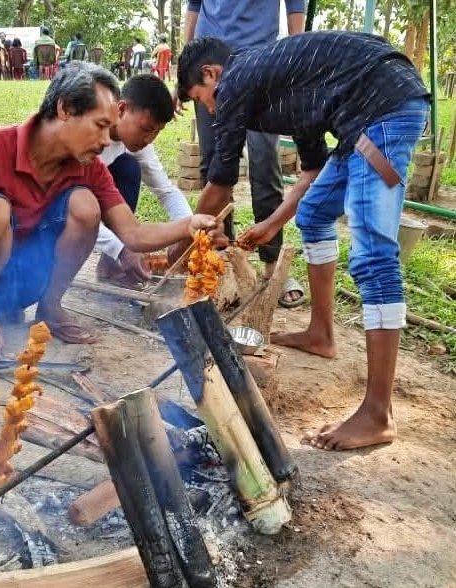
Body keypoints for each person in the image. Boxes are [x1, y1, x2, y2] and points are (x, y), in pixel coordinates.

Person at [176, 33, 430, 450]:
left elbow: (221, 179)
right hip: (360, 123)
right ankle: (321, 334)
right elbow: (311, 174)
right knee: (313, 215)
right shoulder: (286, 84)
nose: (209, 108)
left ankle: (378, 413)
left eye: (201, 98)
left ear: (211, 73)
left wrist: (181, 244)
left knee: (374, 256)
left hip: (383, 110)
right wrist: (274, 224)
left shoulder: (237, 77)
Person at [0, 63, 226, 353]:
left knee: (85, 205)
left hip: (22, 286)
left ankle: (49, 307)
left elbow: (133, 233)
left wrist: (190, 224)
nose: (107, 141)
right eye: (100, 126)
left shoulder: (89, 167)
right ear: (65, 109)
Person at [185, 0, 306, 306]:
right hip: (205, 67)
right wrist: (185, 72)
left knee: (265, 165)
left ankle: (271, 266)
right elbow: (194, 6)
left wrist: (292, 62)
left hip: (259, 62)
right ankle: (219, 259)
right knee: (213, 165)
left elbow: (295, 5)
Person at [96, 74, 192, 287]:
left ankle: (109, 266)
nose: (149, 139)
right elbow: (69, 208)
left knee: (129, 168)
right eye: (147, 129)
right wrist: (120, 248)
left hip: (90, 191)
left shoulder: (137, 142)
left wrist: (190, 227)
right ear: (121, 110)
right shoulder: (88, 138)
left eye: (157, 132)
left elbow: (165, 190)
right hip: (56, 202)